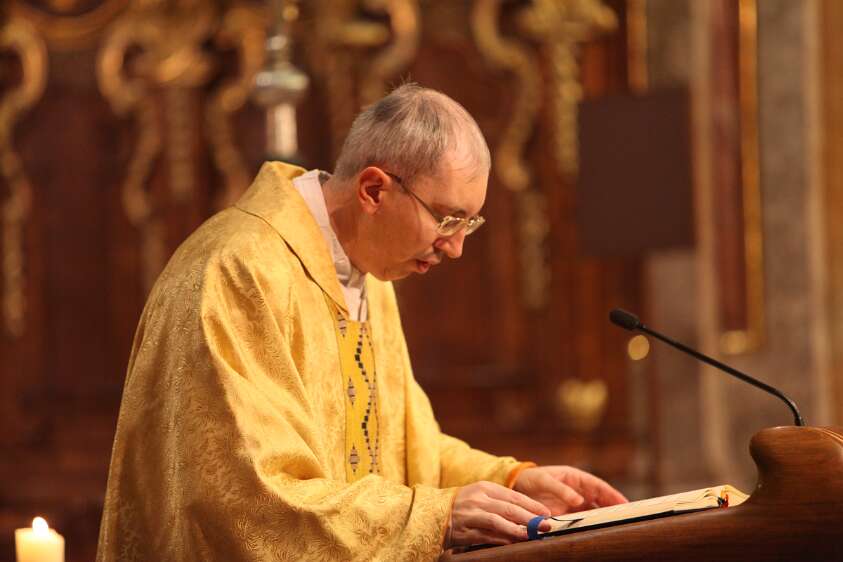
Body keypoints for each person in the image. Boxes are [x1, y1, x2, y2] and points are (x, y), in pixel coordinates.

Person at [96, 83, 626, 561]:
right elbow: (248, 502)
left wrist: (512, 483)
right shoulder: (237, 272)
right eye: (446, 219)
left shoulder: (367, 271)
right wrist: (434, 517)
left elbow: (405, 452)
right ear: (374, 190)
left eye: (470, 223)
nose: (457, 247)